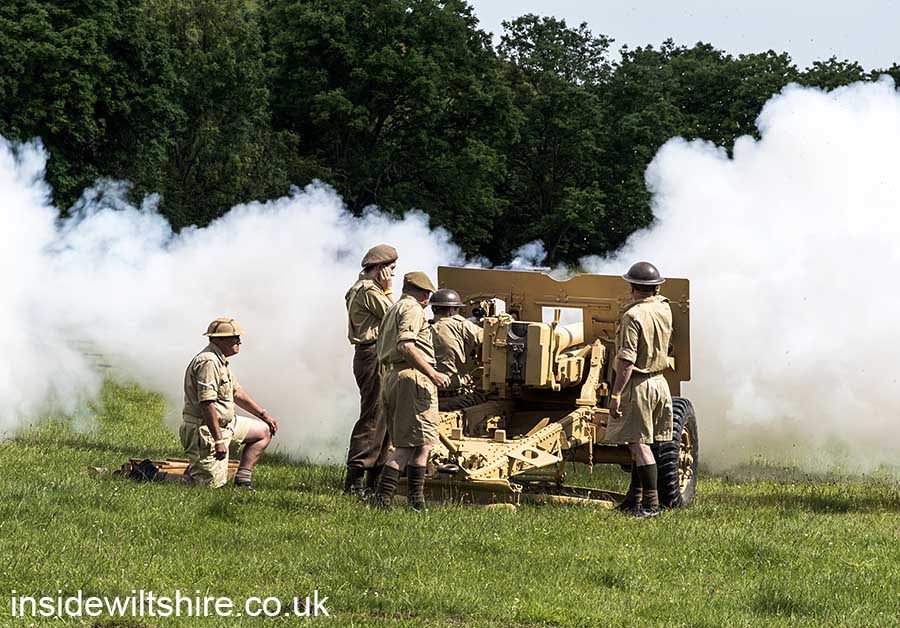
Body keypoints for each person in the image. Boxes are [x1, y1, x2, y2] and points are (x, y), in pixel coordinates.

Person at [373, 272, 451, 510]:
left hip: (395, 377)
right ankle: (383, 500)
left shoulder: (393, 309)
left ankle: (416, 501)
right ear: (425, 294)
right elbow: (406, 345)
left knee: (421, 443)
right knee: (407, 447)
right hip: (413, 380)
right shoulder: (414, 309)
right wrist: (433, 373)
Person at [606, 262, 674, 518]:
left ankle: (651, 505)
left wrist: (615, 395)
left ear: (632, 287)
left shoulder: (633, 316)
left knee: (639, 445)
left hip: (639, 386)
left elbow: (626, 360)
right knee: (640, 442)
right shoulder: (664, 308)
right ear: (656, 288)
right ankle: (633, 499)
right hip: (659, 383)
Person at [180, 317, 280, 489]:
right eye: (234, 337)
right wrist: (218, 441)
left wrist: (264, 415)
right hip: (206, 430)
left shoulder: (220, 361)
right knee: (206, 487)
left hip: (227, 425)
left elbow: (237, 392)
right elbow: (207, 403)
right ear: (219, 340)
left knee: (264, 431)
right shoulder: (209, 362)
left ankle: (243, 481)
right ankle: (153, 474)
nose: (239, 341)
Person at [343, 244, 397, 495]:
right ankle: (355, 479)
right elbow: (396, 317)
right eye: (391, 269)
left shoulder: (362, 288)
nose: (393, 274)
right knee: (374, 416)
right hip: (373, 354)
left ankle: (374, 478)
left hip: (376, 354)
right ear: (380, 269)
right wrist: (388, 290)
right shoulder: (369, 290)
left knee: (383, 416)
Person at [429, 288, 485, 411]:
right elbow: (489, 339)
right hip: (457, 397)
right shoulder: (458, 324)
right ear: (451, 310)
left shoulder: (425, 328)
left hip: (431, 397)